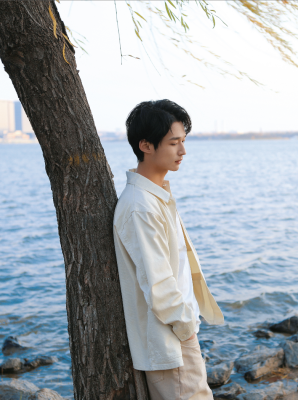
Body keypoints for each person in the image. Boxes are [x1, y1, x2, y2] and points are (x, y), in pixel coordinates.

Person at [113, 99, 224, 399]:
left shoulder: (155, 197)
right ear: (145, 146)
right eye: (174, 143)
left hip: (178, 334)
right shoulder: (141, 207)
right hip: (172, 342)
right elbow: (158, 285)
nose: (183, 151)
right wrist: (186, 330)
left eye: (183, 141)